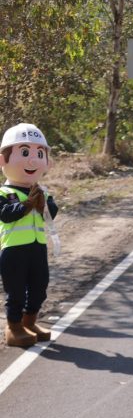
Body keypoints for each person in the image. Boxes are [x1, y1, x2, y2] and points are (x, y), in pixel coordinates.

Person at [0, 123, 57, 347]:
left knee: (39, 287)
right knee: (15, 292)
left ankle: (29, 321)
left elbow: (51, 215)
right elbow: (5, 215)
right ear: (4, 159)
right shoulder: (4, 192)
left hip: (37, 247)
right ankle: (14, 328)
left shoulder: (41, 190)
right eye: (24, 153)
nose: (32, 160)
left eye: (38, 154)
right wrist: (26, 205)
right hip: (13, 249)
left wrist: (43, 204)